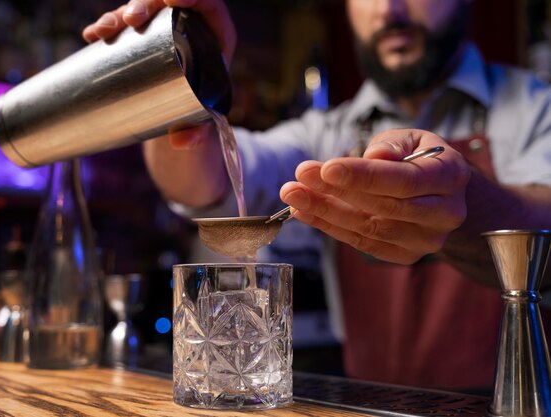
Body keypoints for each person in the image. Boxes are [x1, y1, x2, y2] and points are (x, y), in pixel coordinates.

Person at [83, 0, 551, 391]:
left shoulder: (537, 107)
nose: (391, 8)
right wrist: (181, 72)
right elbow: (203, 183)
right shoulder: (324, 133)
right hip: (365, 404)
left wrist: (465, 203)